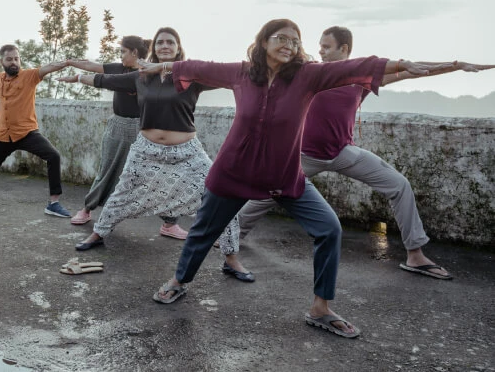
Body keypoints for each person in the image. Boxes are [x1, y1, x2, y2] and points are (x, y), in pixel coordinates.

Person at [147, 19, 450, 339]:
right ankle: (179, 280)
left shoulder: (308, 76)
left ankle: (321, 308)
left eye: (294, 41)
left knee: (329, 228)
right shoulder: (242, 73)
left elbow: (357, 66)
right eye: (281, 38)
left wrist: (401, 64)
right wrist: (161, 65)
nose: (289, 45)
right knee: (203, 232)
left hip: (284, 174)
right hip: (233, 170)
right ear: (264, 42)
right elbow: (197, 67)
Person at [236, 26, 494, 280]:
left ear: (344, 49)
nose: (321, 51)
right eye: (320, 47)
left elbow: (412, 70)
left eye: (326, 47)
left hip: (343, 152)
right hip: (304, 156)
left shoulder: (360, 78)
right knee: (268, 194)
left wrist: (456, 65)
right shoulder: (311, 73)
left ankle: (415, 255)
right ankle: (231, 236)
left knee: (399, 185)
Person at [59, 28, 250, 281]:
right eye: (160, 42)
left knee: (220, 196)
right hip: (146, 150)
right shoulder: (141, 76)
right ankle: (99, 233)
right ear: (154, 48)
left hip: (186, 152)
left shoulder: (191, 76)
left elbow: (230, 74)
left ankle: (231, 259)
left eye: (170, 42)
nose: (165, 45)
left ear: (178, 48)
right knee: (122, 192)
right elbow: (106, 80)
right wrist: (77, 77)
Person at [0, 44, 72, 218]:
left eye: (16, 59)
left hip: (27, 132)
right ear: (2, 62)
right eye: (9, 59)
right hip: (3, 133)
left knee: (53, 156)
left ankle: (54, 203)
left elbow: (47, 68)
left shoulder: (30, 76)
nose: (14, 62)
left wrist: (67, 62)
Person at [67, 36, 150, 226]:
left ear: (134, 52)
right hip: (118, 126)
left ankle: (169, 223)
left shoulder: (147, 73)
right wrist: (70, 62)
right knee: (107, 169)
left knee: (152, 174)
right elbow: (92, 66)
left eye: (123, 51)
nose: (120, 55)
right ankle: (87, 208)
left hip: (143, 128)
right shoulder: (119, 68)